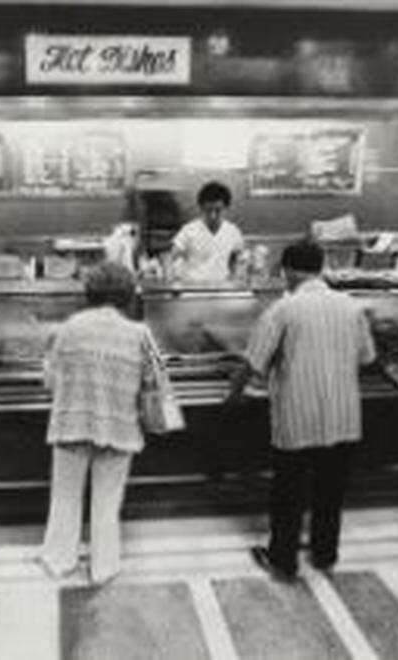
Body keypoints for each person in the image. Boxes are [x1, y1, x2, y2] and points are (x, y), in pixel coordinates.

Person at [226, 241, 376, 580]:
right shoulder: (352, 307)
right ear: (320, 267)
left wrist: (233, 395)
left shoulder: (284, 309)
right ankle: (325, 554)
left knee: (289, 491)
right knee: (331, 491)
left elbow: (252, 362)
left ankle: (283, 559)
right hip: (344, 418)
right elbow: (368, 359)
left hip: (298, 418)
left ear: (287, 271)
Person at [37, 262, 163, 585]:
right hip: (120, 427)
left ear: (90, 292)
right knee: (107, 501)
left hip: (71, 423)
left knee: (65, 496)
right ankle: (103, 566)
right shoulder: (140, 333)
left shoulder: (68, 328)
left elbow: (50, 380)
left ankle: (58, 559)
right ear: (126, 295)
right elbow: (156, 382)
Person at [170, 181, 245, 281]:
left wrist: (235, 277)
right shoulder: (189, 230)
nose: (212, 215)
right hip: (192, 288)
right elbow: (172, 256)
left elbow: (239, 259)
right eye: (208, 210)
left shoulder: (233, 231)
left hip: (223, 288)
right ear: (201, 208)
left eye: (218, 210)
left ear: (226, 208)